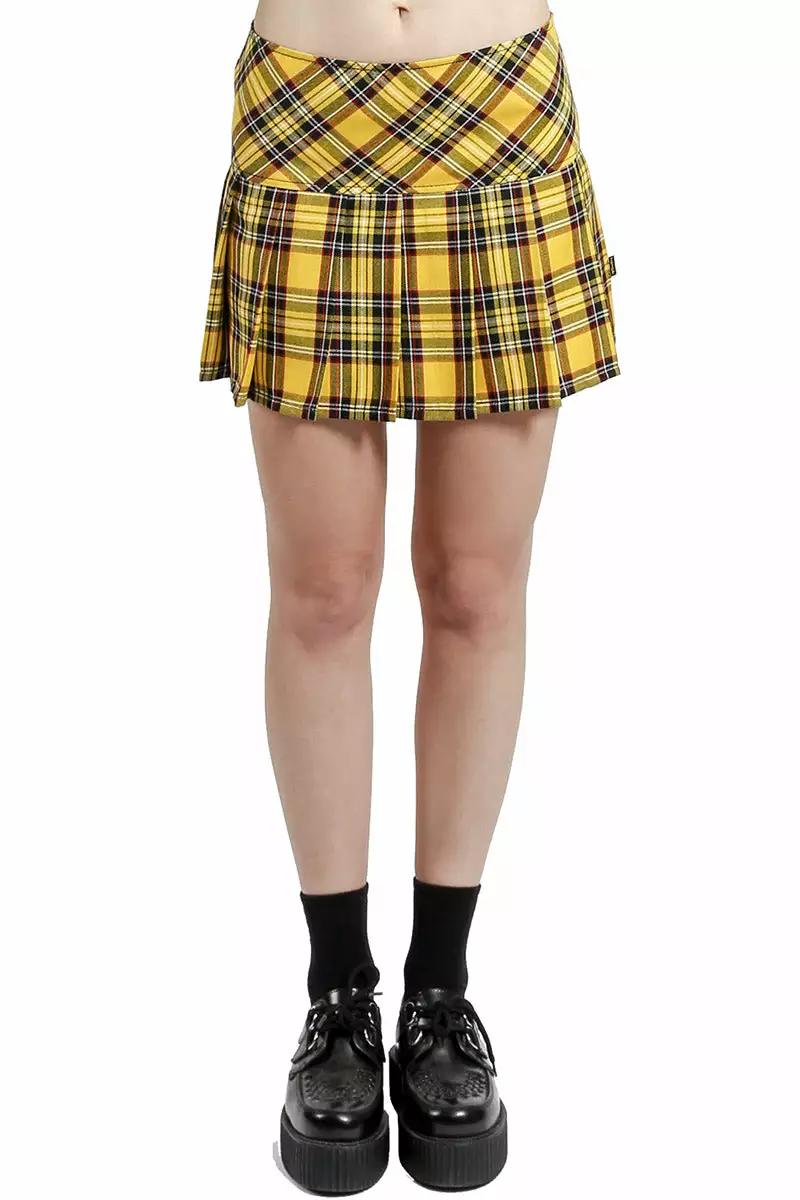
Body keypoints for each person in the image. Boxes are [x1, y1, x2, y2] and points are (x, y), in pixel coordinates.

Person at [199, 0, 620, 1190]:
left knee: (476, 586)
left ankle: (440, 990)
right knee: (323, 592)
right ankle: (338, 994)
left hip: (497, 109)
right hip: (308, 110)